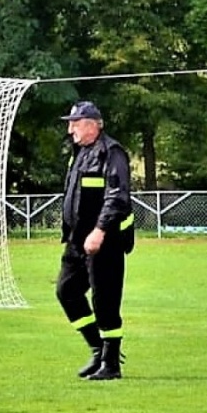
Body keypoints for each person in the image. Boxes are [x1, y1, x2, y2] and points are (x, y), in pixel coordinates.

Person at [56, 100, 135, 381]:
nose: (70, 130)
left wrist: (99, 231)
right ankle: (98, 348)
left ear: (92, 124)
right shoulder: (80, 152)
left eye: (75, 124)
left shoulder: (111, 153)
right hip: (77, 241)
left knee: (105, 301)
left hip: (105, 240)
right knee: (67, 291)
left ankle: (111, 364)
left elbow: (117, 197)